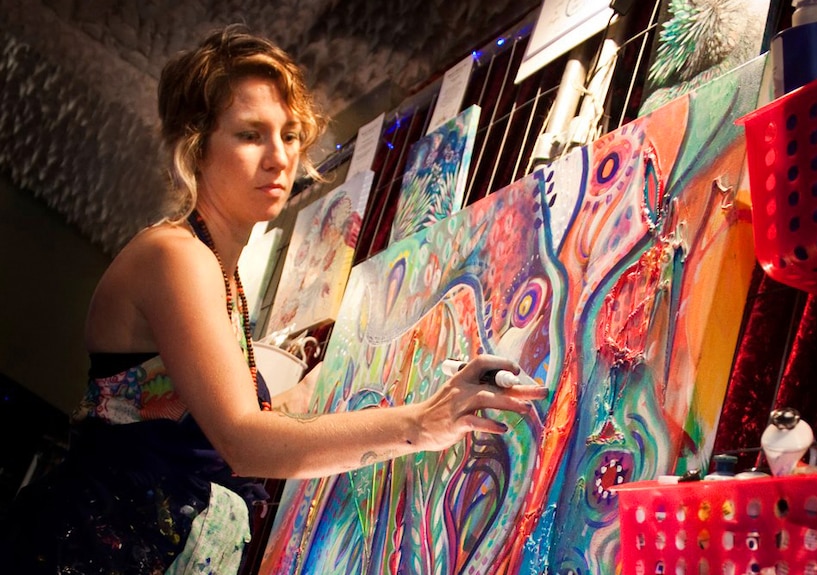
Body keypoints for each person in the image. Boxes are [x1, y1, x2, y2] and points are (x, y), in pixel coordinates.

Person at [2, 25, 547, 574]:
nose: (279, 157)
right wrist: (424, 422)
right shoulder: (175, 255)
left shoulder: (221, 275)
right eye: (250, 135)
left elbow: (242, 416)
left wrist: (341, 379)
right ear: (196, 145)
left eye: (289, 135)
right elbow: (244, 440)